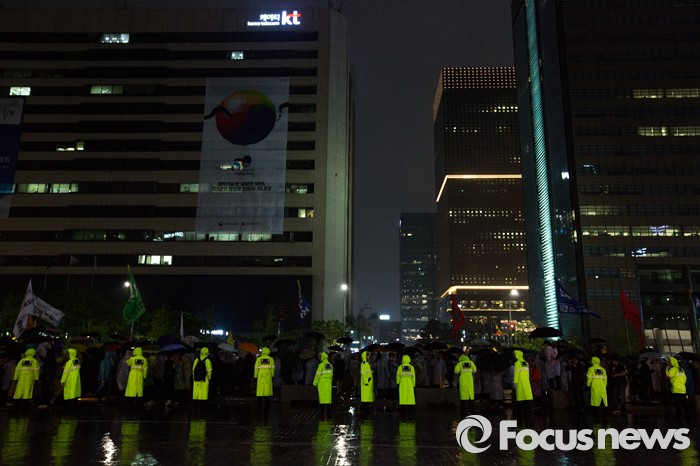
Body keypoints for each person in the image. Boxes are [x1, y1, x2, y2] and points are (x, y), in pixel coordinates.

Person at [513, 350, 533, 421]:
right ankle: (528, 415)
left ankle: (521, 416)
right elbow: (527, 373)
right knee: (527, 399)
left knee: (520, 400)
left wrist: (515, 382)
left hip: (520, 383)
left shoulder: (517, 363)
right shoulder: (526, 363)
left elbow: (516, 374)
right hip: (526, 383)